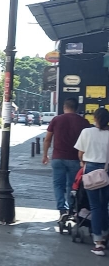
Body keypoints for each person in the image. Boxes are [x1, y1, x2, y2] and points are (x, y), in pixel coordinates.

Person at [43, 97, 90, 218]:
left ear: (64, 107)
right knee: (72, 185)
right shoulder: (83, 122)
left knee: (58, 185)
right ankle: (71, 210)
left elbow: (47, 139)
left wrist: (45, 155)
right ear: (76, 108)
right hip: (75, 158)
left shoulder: (56, 119)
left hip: (58, 158)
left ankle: (62, 210)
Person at [74, 107, 109, 256]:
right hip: (106, 171)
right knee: (104, 205)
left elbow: (80, 153)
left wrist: (82, 163)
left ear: (95, 118)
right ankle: (106, 232)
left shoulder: (86, 132)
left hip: (91, 170)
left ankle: (98, 243)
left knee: (94, 206)